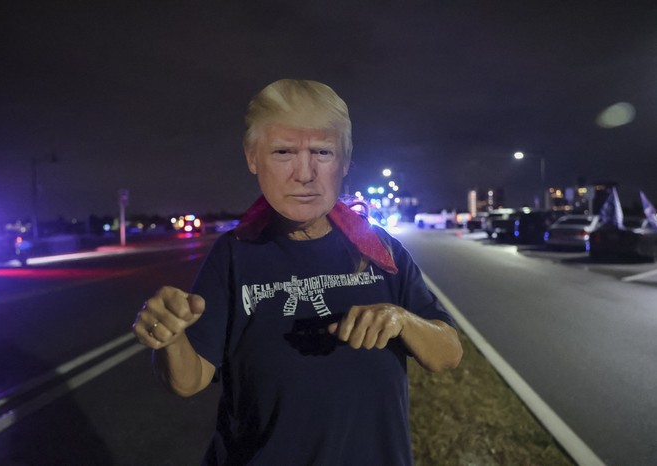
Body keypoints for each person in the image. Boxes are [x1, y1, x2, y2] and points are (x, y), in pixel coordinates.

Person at [132, 79, 463, 465]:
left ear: (344, 163)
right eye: (283, 151)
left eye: (322, 152)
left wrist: (403, 321)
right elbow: (188, 381)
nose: (304, 174)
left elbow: (448, 354)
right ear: (253, 158)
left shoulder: (378, 249)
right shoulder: (235, 255)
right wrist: (170, 337)